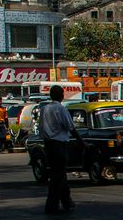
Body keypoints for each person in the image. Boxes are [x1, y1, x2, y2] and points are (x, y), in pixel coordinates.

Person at [39, 85, 77, 214]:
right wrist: (82, 142)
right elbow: (70, 127)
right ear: (61, 95)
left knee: (59, 174)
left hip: (48, 144)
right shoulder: (61, 109)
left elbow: (41, 128)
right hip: (59, 145)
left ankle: (67, 201)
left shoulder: (44, 109)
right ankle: (52, 205)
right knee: (58, 176)